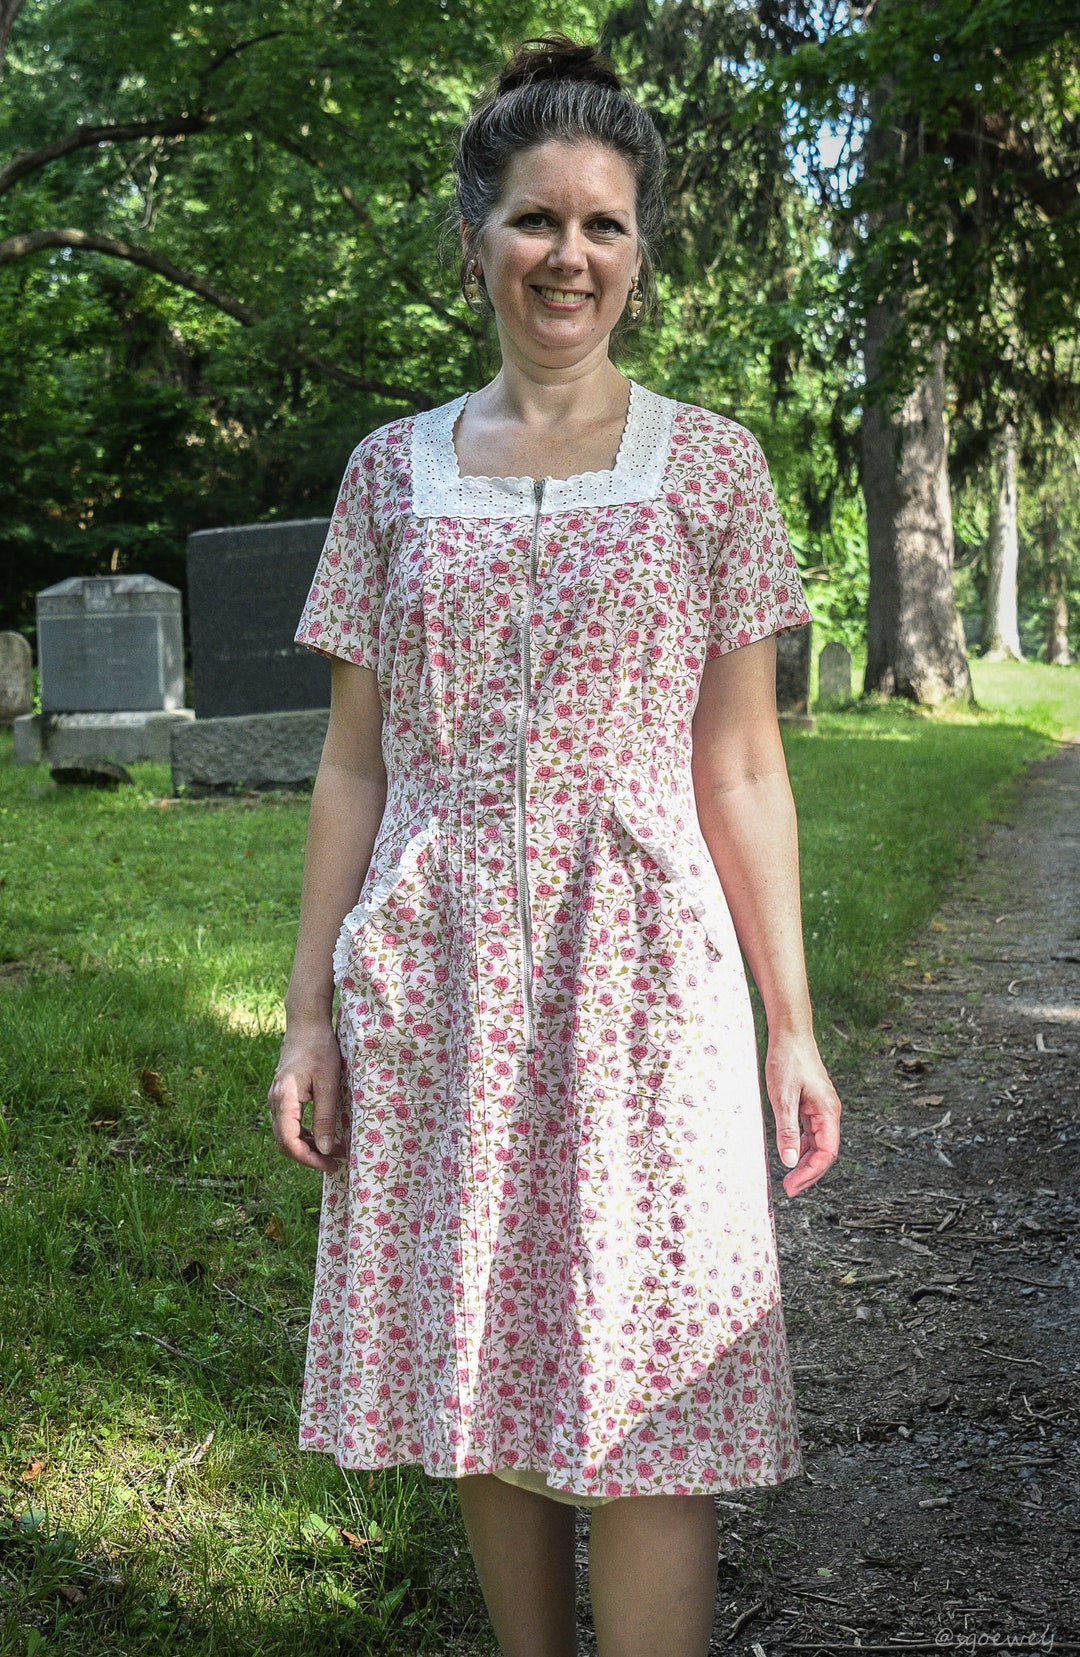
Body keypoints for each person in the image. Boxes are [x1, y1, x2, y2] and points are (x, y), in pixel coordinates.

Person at [268, 33, 841, 1657]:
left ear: (640, 255)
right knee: (478, 1343)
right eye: (535, 219)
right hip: (435, 963)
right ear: (476, 241)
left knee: (655, 1373)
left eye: (603, 224)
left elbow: (743, 765)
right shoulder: (390, 473)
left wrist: (791, 1025)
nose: (568, 254)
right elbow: (353, 764)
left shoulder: (710, 465)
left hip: (645, 972)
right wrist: (308, 1012)